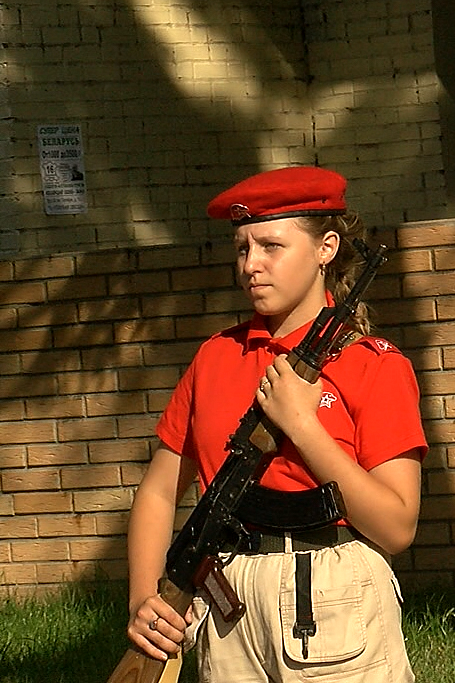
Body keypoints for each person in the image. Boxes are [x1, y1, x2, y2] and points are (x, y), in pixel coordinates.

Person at [124, 166, 425, 682]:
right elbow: (158, 491)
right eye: (242, 248)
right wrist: (145, 597)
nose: (251, 266)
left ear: (326, 248)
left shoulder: (375, 365)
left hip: (332, 594)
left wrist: (303, 427)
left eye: (271, 247)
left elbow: (396, 527)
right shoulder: (216, 357)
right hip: (226, 601)